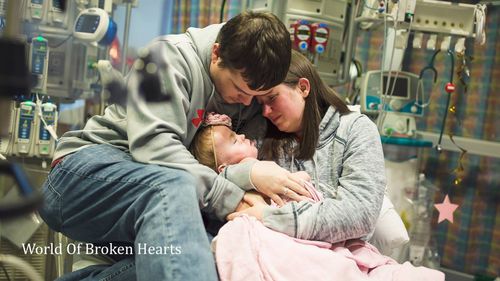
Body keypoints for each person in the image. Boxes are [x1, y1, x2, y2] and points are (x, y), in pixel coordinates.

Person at [39, 11, 311, 281]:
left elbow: (233, 162)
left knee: (220, 253)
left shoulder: (248, 98)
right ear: (216, 54)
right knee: (174, 187)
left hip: (148, 200)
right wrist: (235, 199)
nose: (247, 103)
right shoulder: (167, 59)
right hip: (81, 175)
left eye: (256, 97)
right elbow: (155, 149)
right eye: (240, 91)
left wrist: (252, 173)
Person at [229, 50, 386, 244]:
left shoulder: (355, 130)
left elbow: (360, 214)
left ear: (303, 88)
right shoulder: (262, 131)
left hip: (340, 258)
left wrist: (271, 218)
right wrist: (251, 173)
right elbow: (220, 169)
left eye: (271, 98)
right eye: (260, 103)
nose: (266, 111)